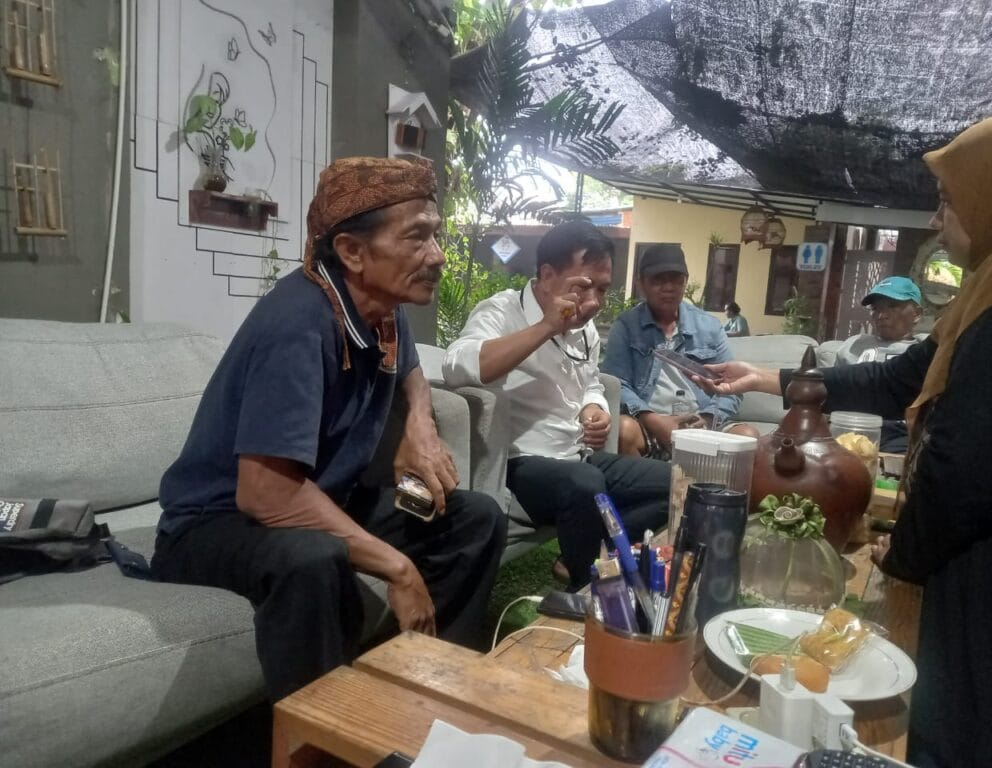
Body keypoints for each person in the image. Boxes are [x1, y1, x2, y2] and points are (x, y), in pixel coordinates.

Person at [694, 114, 992, 768]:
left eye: (948, 200)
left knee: (976, 716)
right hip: (977, 548)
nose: (936, 220)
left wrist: (903, 557)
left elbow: (968, 469)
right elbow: (898, 378)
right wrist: (770, 379)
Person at [151, 157, 507, 702]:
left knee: (474, 519)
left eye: (435, 235)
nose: (437, 255)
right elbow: (266, 494)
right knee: (315, 557)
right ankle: (318, 731)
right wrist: (398, 568)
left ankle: (430, 691)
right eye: (417, 237)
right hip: (214, 524)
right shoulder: (298, 323)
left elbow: (410, 369)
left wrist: (419, 425)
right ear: (352, 251)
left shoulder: (382, 307)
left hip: (324, 499)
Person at [442, 221, 670, 589]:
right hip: (522, 465)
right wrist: (546, 326)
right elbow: (456, 367)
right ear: (547, 275)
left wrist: (594, 407)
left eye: (602, 289)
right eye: (582, 287)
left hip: (577, 458)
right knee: (585, 483)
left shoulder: (585, 328)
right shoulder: (502, 311)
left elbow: (591, 381)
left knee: (679, 482)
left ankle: (589, 557)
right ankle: (591, 589)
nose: (594, 302)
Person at [601, 244, 750, 458]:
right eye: (658, 280)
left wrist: (707, 419)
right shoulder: (626, 326)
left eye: (676, 279)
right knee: (624, 430)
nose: (668, 287)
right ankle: (644, 479)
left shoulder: (709, 326)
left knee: (747, 436)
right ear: (640, 284)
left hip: (703, 422)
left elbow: (731, 386)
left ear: (685, 282)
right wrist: (654, 420)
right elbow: (617, 384)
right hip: (650, 424)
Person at [817, 276, 929, 451]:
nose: (881, 315)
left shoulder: (923, 351)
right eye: (876, 308)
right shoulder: (853, 345)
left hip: (898, 430)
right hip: (848, 426)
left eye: (893, 306)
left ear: (917, 313)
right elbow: (831, 390)